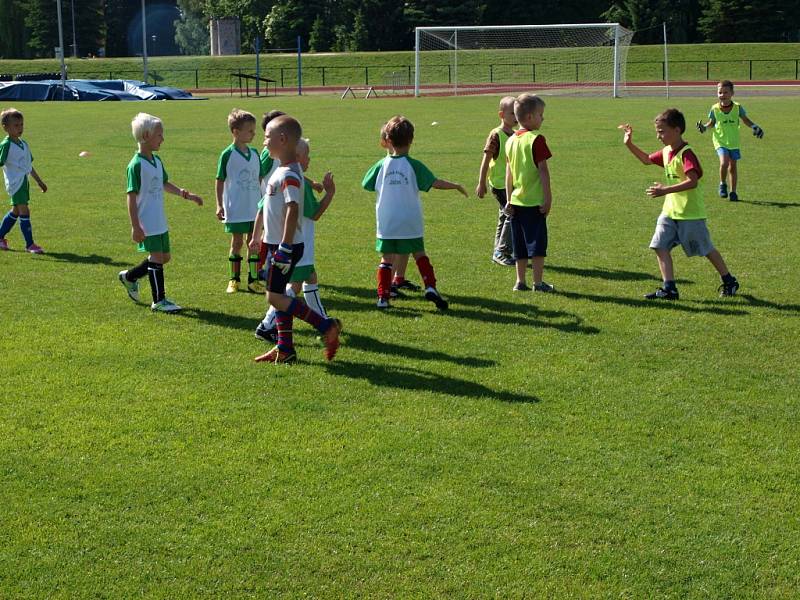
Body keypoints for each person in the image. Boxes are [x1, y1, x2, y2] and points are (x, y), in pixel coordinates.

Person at [620, 108, 740, 299]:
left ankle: (729, 280)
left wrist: (664, 190)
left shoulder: (686, 153)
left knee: (706, 249)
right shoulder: (667, 151)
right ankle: (669, 288)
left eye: (662, 131)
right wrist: (629, 144)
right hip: (670, 212)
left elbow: (692, 181)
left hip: (690, 214)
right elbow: (646, 160)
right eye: (657, 131)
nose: (658, 136)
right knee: (659, 245)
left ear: (677, 130)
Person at [250, 115, 341, 363]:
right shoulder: (284, 169)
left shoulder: (289, 173)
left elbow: (292, 208)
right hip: (279, 244)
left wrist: (285, 247)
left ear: (282, 140)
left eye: (267, 137)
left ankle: (326, 326)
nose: (264, 141)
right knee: (280, 295)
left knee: (274, 297)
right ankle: (285, 348)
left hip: (286, 247)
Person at [362, 115, 467, 310]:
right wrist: (455, 186)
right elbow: (435, 182)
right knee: (419, 253)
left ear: (388, 140)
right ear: (411, 140)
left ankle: (383, 297)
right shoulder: (414, 165)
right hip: (410, 219)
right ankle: (430, 286)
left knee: (386, 259)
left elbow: (366, 183)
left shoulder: (380, 165)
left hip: (387, 221)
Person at [118, 113, 203, 313]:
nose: (162, 139)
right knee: (156, 256)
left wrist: (185, 194)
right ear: (146, 136)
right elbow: (131, 196)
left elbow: (164, 183)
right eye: (159, 135)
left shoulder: (156, 161)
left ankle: (129, 277)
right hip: (146, 220)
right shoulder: (136, 165)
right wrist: (135, 225)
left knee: (164, 257)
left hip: (159, 218)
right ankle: (159, 300)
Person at [504, 93, 554, 292]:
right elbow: (543, 170)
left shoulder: (511, 140)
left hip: (516, 202)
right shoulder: (536, 139)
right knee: (537, 245)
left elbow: (508, 173)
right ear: (531, 117)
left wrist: (508, 199)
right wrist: (548, 198)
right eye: (541, 114)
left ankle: (520, 281)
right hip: (533, 202)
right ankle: (538, 283)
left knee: (520, 246)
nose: (543, 118)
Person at [215, 109, 264, 293]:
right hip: (236, 208)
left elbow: (259, 178)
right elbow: (219, 180)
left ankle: (253, 280)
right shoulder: (227, 154)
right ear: (236, 132)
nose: (253, 134)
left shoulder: (255, 153)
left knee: (254, 243)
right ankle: (234, 280)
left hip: (254, 208)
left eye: (254, 130)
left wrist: (262, 201)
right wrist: (219, 204)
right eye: (249, 130)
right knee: (236, 243)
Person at [696, 80, 764, 202]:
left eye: (725, 92)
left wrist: (755, 127)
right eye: (720, 92)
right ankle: (722, 184)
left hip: (733, 141)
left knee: (732, 167)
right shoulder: (714, 108)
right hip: (720, 141)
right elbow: (711, 123)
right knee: (724, 163)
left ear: (732, 93)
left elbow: (745, 120)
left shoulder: (737, 108)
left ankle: (733, 192)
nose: (722, 95)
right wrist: (704, 127)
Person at [0, 108, 48, 253]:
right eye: (16, 125)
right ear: (5, 128)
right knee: (24, 211)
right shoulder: (6, 145)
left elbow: (29, 166)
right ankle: (30, 244)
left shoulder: (24, 144)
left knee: (15, 211)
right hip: (15, 183)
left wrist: (39, 181)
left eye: (21, 124)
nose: (20, 128)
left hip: (23, 182)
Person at [476, 96, 517, 266]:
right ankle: (502, 251)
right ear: (501, 114)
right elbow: (486, 160)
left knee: (504, 215)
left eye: (517, 113)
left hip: (510, 184)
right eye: (512, 113)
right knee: (511, 214)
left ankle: (498, 250)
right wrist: (481, 182)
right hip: (500, 184)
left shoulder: (515, 135)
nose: (516, 116)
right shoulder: (496, 135)